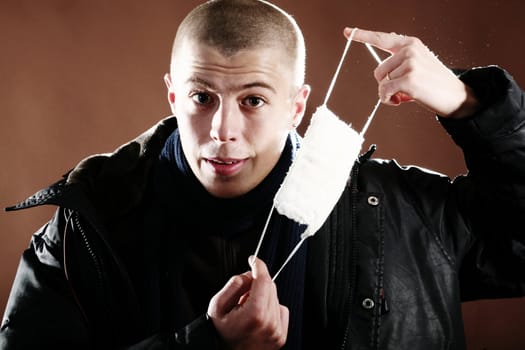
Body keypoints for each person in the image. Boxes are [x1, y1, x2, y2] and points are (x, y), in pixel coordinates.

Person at [1, 0, 524, 349]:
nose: (222, 130)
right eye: (202, 97)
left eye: (253, 100)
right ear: (172, 95)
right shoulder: (82, 231)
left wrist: (470, 105)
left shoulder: (401, 212)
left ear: (298, 106)